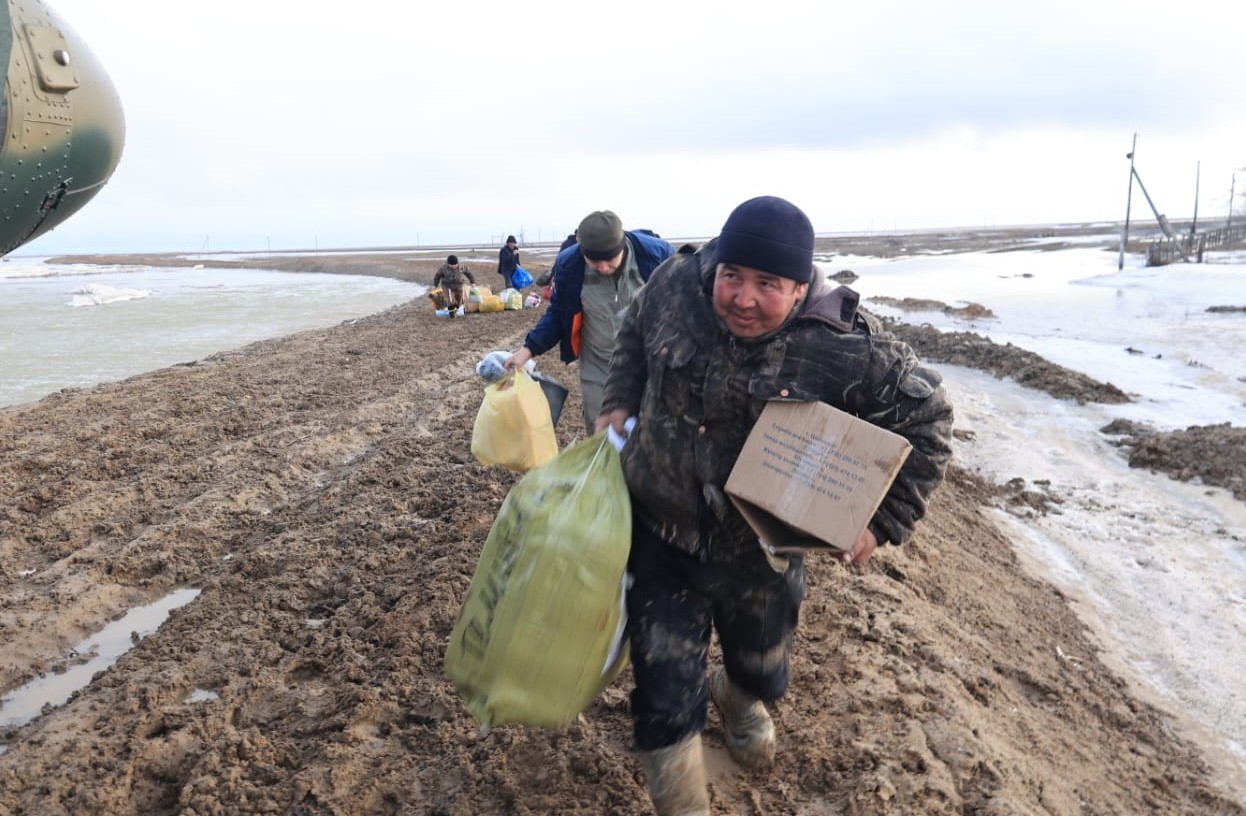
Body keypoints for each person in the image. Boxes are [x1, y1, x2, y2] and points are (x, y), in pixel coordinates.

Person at [595, 196, 954, 816]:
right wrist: (619, 399)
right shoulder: (677, 285)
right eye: (733, 276)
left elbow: (928, 419)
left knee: (763, 671)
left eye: (768, 285)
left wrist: (880, 522)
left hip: (761, 550)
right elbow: (631, 334)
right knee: (661, 697)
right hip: (661, 531)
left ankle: (738, 697)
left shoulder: (842, 345)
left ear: (798, 288)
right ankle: (682, 801)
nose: (742, 298)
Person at [504, 210, 674, 434]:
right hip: (599, 362)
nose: (602, 268)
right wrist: (527, 350)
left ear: (622, 247)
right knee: (601, 429)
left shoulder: (656, 256)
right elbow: (558, 314)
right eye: (594, 261)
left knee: (652, 430)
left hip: (649, 361)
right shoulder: (570, 265)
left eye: (609, 261)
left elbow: (680, 308)